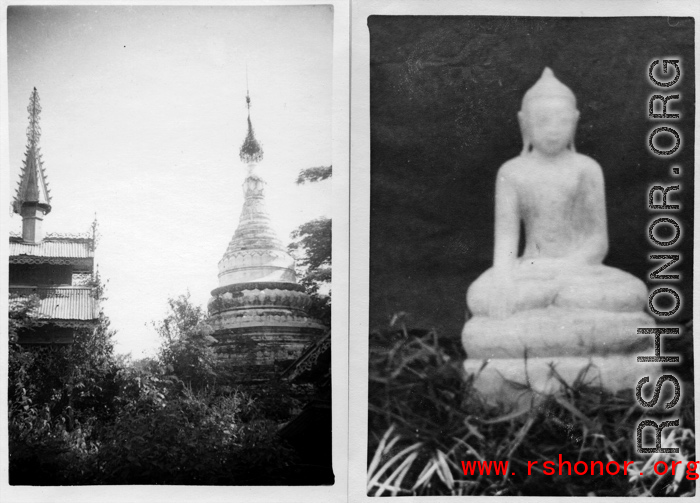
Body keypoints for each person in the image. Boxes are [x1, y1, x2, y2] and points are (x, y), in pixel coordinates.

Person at [466, 68, 647, 320]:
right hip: (530, 269)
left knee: (632, 293)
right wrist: (504, 282)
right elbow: (506, 240)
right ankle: (560, 314)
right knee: (480, 296)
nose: (553, 129)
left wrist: (562, 269)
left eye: (562, 121)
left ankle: (543, 312)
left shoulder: (587, 168)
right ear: (523, 123)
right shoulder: (512, 172)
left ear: (575, 121)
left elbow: (598, 241)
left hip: (579, 271)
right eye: (542, 120)